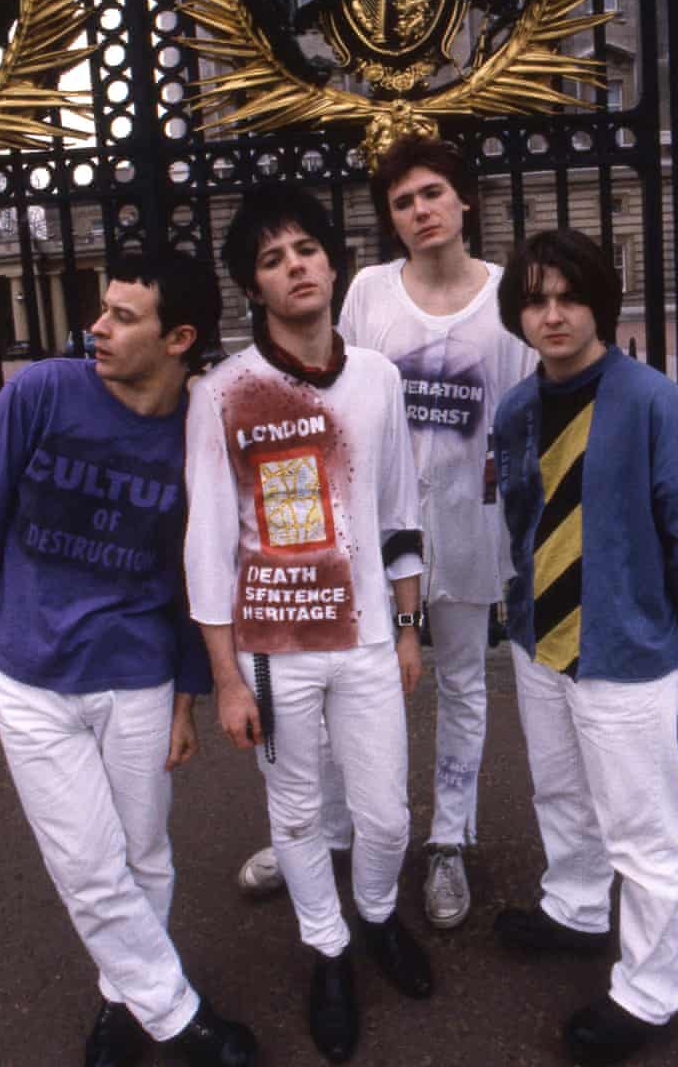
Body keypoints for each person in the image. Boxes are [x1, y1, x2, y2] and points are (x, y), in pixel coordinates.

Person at [0, 253, 257, 1067]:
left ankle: (123, 1003)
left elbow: (199, 567)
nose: (98, 327)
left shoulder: (196, 429)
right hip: (29, 673)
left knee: (144, 852)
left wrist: (190, 695)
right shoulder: (40, 393)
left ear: (180, 338)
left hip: (137, 675)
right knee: (88, 867)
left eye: (123, 316)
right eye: (103, 309)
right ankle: (182, 1020)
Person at [237, 135, 537, 930]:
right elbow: (335, 394)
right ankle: (324, 834)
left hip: (471, 530)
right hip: (368, 534)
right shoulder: (369, 290)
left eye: (432, 193)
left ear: (463, 199)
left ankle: (446, 839)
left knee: (463, 682)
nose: (420, 212)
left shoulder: (507, 299)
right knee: (347, 681)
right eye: (403, 203)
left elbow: (521, 417)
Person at [184, 184, 432, 1064]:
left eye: (306, 250)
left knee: (387, 816)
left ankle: (375, 916)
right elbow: (209, 542)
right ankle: (327, 953)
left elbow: (401, 505)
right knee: (294, 815)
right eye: (271, 258)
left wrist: (408, 625)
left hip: (366, 638)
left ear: (333, 263)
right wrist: (222, 677)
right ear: (255, 286)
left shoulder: (377, 380)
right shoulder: (223, 393)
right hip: (275, 648)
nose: (295, 267)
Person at [491, 229, 678, 1065]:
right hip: (538, 640)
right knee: (560, 792)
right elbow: (524, 518)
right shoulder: (519, 407)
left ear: (599, 300)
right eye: (534, 299)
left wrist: (671, 612)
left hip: (624, 648)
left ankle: (650, 991)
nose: (552, 314)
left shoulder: (653, 401)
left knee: (644, 832)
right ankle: (577, 907)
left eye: (568, 296)